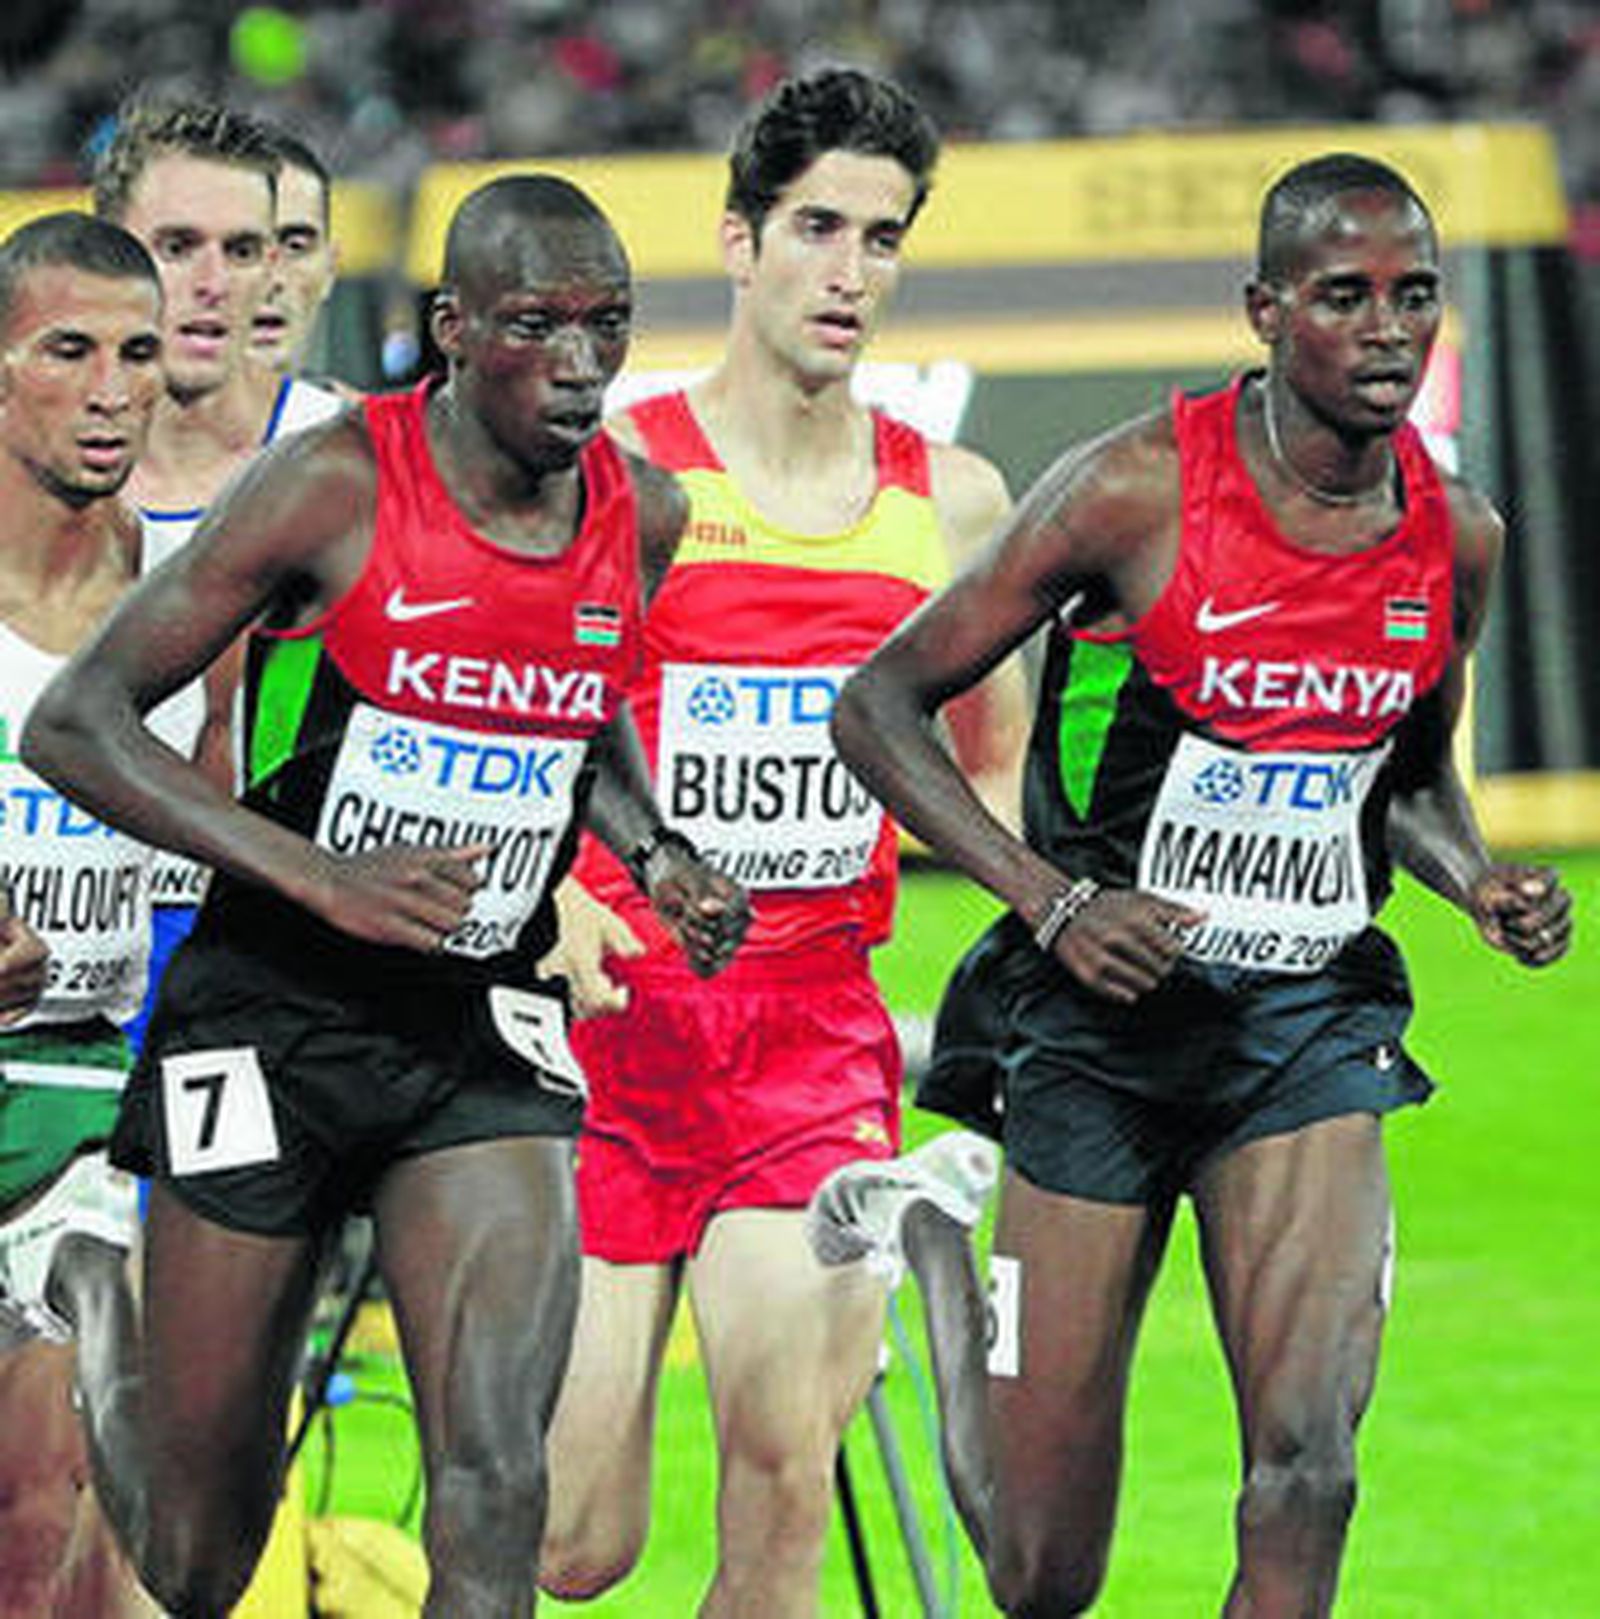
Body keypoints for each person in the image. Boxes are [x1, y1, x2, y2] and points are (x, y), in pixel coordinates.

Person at [807, 152, 1574, 1616]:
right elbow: (878, 704)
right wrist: (1051, 902)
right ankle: (932, 1239)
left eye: (1413, 295)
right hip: (1097, 1026)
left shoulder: (1451, 531)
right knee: (1043, 1570)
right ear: (1265, 311)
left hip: (1306, 1023)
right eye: (1344, 297)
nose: (1389, 329)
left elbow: (1404, 776)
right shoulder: (1131, 492)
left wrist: (1477, 878)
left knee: (1311, 1468)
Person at [22, 173, 748, 1617]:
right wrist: (320, 879)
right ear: (455, 329)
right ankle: (98, 1301)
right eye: (542, 326)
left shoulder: (641, 510)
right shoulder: (336, 483)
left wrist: (655, 843)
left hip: (476, 1025)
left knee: (494, 1475)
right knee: (198, 1540)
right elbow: (80, 723)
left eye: (610, 324)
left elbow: (577, 703)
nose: (585, 363)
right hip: (271, 1011)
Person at [538, 67, 1021, 1617]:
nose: (851, 271)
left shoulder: (949, 504)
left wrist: (1043, 949)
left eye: (883, 239)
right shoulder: (621, 467)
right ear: (739, 243)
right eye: (819, 228)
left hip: (809, 1046)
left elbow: (996, 772)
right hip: (602, 1035)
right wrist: (550, 898)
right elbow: (520, 733)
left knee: (780, 1468)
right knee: (564, 1537)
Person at [92, 97, 350, 1048]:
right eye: (176, 245)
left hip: (284, 971)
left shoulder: (360, 469)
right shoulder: (19, 476)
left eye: (243, 251)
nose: (211, 283)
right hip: (56, 968)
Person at [0, 212, 165, 1619]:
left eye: (138, 353)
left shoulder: (192, 597)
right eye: (71, 351)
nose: (113, 388)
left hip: (79, 1087)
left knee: (46, 1517)